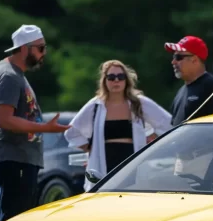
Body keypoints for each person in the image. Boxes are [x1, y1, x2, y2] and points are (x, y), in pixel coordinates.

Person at [0, 24, 69, 221]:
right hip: (15, 158)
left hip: (22, 159)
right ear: (25, 48)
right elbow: (4, 119)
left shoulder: (16, 75)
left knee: (20, 219)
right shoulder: (8, 76)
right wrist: (45, 128)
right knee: (14, 220)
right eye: (41, 48)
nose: (44, 53)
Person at [64, 59, 173, 190]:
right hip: (103, 160)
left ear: (126, 80)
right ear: (104, 81)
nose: (116, 81)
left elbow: (168, 123)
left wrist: (153, 140)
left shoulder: (139, 103)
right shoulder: (95, 105)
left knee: (131, 200)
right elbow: (71, 131)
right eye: (111, 77)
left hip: (131, 159)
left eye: (120, 77)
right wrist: (90, 149)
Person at [165, 35, 213, 125]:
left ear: (194, 60)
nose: (173, 62)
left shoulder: (211, 85)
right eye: (173, 57)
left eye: (178, 57)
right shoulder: (181, 91)